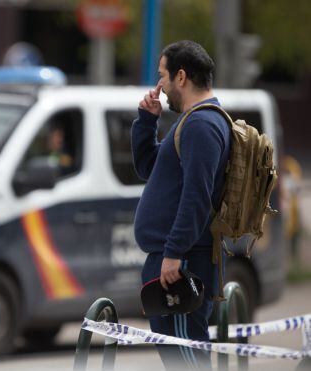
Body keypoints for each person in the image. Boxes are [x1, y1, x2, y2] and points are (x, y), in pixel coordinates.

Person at [131, 40, 230, 370]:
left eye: (162, 77)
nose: (159, 86)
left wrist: (174, 252)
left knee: (188, 362)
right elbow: (150, 169)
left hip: (182, 264)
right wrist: (147, 121)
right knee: (180, 361)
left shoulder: (202, 125)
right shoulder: (191, 122)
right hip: (175, 260)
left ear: (181, 76)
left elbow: (196, 197)